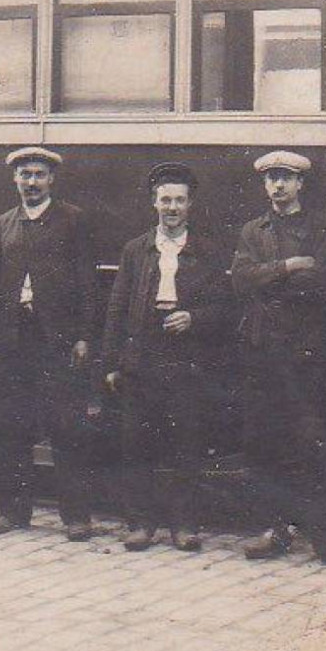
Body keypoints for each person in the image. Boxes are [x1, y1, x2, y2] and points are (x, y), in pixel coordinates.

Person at [231, 151, 326, 572]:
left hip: (309, 357)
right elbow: (240, 279)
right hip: (264, 355)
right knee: (265, 445)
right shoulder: (253, 230)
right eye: (272, 179)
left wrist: (269, 279)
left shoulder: (321, 229)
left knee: (316, 446)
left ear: (300, 184)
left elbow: (319, 283)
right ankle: (277, 530)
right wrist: (288, 266)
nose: (278, 186)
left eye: (286, 179)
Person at [101, 163, 232, 552]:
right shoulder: (136, 249)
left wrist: (194, 317)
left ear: (190, 205)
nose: (171, 207)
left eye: (179, 200)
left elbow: (226, 307)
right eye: (165, 200)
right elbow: (117, 306)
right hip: (142, 355)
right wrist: (111, 363)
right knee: (136, 442)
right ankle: (140, 524)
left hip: (185, 356)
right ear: (153, 203)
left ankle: (184, 525)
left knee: (184, 443)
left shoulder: (208, 251)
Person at [0, 147, 99, 541]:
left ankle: (76, 518)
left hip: (56, 342)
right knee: (11, 430)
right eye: (24, 175)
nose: (31, 182)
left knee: (67, 430)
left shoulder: (73, 221)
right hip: (12, 342)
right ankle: (13, 513)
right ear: (15, 180)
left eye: (38, 175)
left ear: (51, 180)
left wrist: (83, 335)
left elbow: (87, 283)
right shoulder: (4, 224)